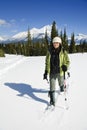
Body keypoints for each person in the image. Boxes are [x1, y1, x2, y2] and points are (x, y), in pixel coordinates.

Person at [43, 36, 70, 106]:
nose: (55, 44)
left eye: (57, 43)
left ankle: (61, 88)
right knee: (52, 87)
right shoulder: (49, 52)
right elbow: (47, 62)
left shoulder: (63, 52)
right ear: (52, 43)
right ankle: (52, 101)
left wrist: (65, 66)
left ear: (60, 43)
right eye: (54, 43)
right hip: (52, 72)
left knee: (61, 82)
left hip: (60, 72)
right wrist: (46, 72)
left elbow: (67, 61)